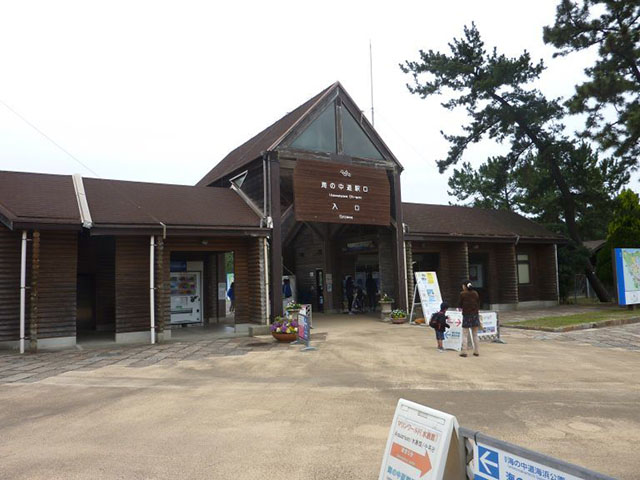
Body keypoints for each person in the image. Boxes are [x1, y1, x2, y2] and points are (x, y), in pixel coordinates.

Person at [458, 280, 480, 357]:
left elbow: (460, 304)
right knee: (475, 334)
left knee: (465, 334)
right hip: (475, 315)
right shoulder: (475, 293)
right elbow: (478, 303)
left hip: (466, 315)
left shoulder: (462, 294)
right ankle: (476, 351)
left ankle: (464, 351)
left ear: (465, 286)